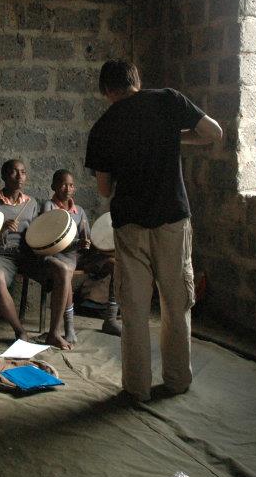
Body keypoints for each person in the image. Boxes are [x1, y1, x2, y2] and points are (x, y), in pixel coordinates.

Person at [85, 60, 222, 401]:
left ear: (106, 91)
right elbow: (213, 133)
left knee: (133, 310)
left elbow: (104, 189)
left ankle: (137, 387)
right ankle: (177, 380)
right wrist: (174, 138)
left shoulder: (102, 126)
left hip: (130, 224)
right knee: (176, 304)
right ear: (137, 79)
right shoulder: (167, 101)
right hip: (172, 220)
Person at [38, 169, 122, 348]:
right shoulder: (49, 207)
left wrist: (88, 243)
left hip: (79, 255)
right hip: (59, 255)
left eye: (71, 185)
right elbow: (50, 237)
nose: (67, 188)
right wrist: (76, 244)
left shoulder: (80, 211)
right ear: (53, 186)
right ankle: (69, 327)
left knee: (115, 265)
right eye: (63, 184)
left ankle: (110, 318)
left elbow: (88, 238)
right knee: (65, 272)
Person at [0, 159, 41, 343]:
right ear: (4, 176)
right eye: (14, 172)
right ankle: (20, 330)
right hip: (1, 253)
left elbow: (37, 232)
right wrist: (1, 228)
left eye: (23, 172)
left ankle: (57, 332)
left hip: (27, 254)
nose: (19, 176)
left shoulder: (32, 203)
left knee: (60, 268)